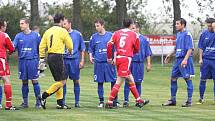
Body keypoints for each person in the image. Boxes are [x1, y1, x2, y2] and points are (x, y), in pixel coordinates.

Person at [105, 18, 150, 109]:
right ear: (131, 25)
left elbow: (109, 44)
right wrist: (132, 51)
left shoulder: (116, 33)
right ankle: (109, 102)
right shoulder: (134, 34)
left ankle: (139, 100)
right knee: (119, 81)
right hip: (126, 59)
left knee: (130, 79)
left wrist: (109, 57)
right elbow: (137, 48)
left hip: (118, 58)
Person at [38, 13, 73, 109]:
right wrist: (70, 51)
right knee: (63, 81)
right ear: (61, 21)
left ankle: (60, 103)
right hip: (58, 56)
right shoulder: (63, 31)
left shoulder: (48, 31)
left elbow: (41, 46)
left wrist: (42, 58)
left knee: (59, 80)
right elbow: (70, 44)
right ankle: (43, 96)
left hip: (50, 56)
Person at [162, 18, 194, 107]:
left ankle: (189, 101)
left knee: (188, 79)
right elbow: (176, 48)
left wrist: (185, 59)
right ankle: (173, 100)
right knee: (173, 78)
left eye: (177, 24)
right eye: (175, 24)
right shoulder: (179, 34)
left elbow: (190, 48)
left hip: (185, 60)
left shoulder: (187, 34)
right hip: (178, 60)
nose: (176, 25)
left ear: (183, 25)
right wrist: (169, 55)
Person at [88, 19, 120, 108]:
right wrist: (90, 57)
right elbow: (91, 49)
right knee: (100, 82)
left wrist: (114, 58)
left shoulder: (111, 35)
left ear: (102, 25)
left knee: (113, 81)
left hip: (109, 63)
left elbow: (115, 48)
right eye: (95, 26)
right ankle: (101, 101)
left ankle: (114, 100)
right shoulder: (94, 37)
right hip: (99, 63)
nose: (96, 28)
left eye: (98, 26)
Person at [13, 18, 41, 109]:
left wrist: (41, 60)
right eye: (20, 23)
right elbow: (13, 47)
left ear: (27, 24)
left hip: (33, 61)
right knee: (24, 81)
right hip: (22, 61)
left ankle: (38, 102)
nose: (20, 25)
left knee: (34, 81)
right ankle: (25, 102)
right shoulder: (18, 36)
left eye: (22, 23)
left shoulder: (36, 35)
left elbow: (40, 48)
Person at [123, 22, 152, 107]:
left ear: (138, 29)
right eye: (131, 28)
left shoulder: (144, 39)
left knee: (138, 82)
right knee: (128, 81)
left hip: (139, 63)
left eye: (133, 28)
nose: (132, 30)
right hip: (129, 62)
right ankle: (126, 101)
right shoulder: (128, 38)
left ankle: (138, 101)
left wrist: (149, 63)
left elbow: (148, 52)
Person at [62, 18, 85, 108]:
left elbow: (82, 49)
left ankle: (77, 102)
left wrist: (82, 61)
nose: (63, 26)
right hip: (64, 60)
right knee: (63, 82)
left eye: (65, 24)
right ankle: (62, 101)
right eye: (62, 24)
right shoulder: (61, 34)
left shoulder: (77, 34)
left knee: (76, 81)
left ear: (69, 24)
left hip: (74, 61)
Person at [0, 17, 18, 110]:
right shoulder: (4, 35)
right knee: (6, 80)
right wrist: (8, 51)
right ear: (2, 26)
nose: (6, 28)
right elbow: (12, 48)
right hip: (1, 59)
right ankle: (8, 105)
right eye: (5, 26)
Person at [197, 18, 215, 104]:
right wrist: (200, 58)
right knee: (203, 79)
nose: (209, 27)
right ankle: (201, 98)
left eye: (210, 26)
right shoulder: (204, 33)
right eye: (207, 26)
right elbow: (200, 47)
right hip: (206, 60)